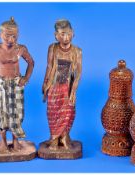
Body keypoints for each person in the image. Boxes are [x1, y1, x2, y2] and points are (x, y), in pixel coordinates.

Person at [0, 17, 34, 153]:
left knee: (16, 112)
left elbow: (31, 63)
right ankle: (2, 142)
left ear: (18, 35)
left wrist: (25, 78)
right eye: (7, 36)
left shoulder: (21, 49)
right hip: (1, 83)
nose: (11, 39)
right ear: (0, 35)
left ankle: (15, 141)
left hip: (16, 82)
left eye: (14, 36)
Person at [42, 19, 82, 150]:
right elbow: (49, 67)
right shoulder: (52, 48)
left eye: (68, 33)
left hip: (67, 87)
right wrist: (45, 82)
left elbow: (78, 73)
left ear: (73, 33)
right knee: (53, 112)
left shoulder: (77, 51)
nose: (66, 37)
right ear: (56, 35)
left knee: (68, 112)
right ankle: (54, 138)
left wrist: (74, 91)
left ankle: (64, 137)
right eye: (62, 34)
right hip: (54, 86)